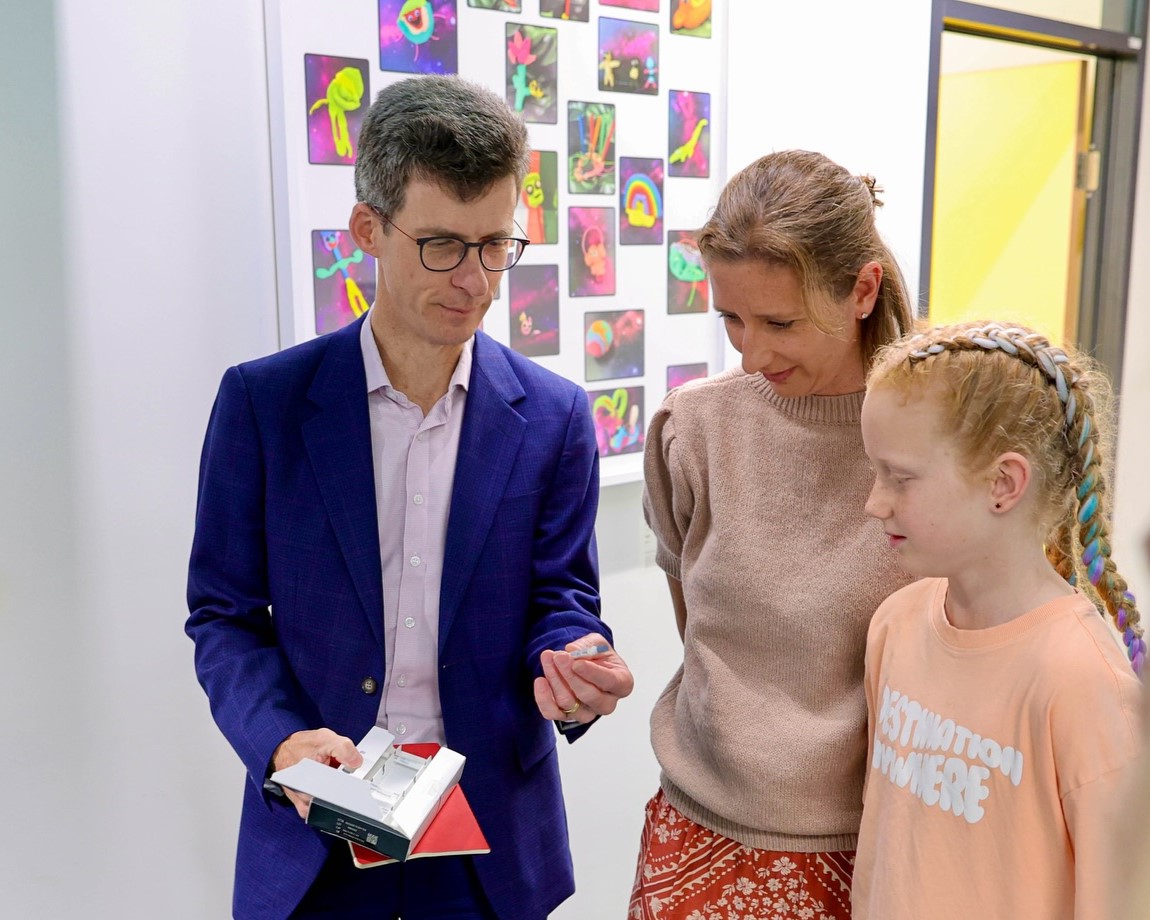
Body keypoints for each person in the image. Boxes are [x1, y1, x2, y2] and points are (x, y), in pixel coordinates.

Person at [186, 75, 634, 920]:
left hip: (488, 841)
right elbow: (223, 614)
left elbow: (561, 597)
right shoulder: (264, 404)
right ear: (369, 230)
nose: (474, 279)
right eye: (441, 244)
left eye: (495, 244)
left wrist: (576, 656)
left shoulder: (555, 416)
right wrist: (281, 743)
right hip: (315, 832)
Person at [632, 150, 916, 919]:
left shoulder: (931, 444)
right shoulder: (693, 427)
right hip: (695, 834)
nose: (751, 354)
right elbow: (697, 623)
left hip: (873, 849)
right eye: (730, 317)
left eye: (780, 322)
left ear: (862, 290)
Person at [852, 321, 1144, 919]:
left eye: (900, 478)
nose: (874, 502)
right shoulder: (895, 625)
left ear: (1004, 484)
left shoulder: (1083, 680)